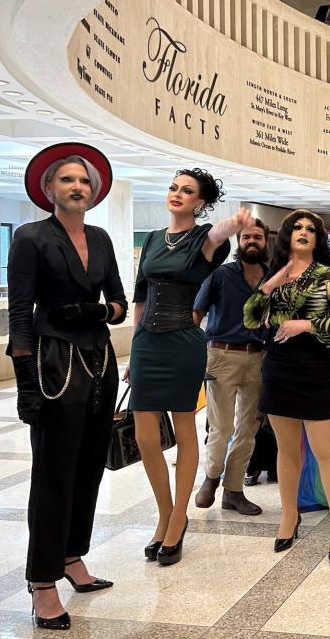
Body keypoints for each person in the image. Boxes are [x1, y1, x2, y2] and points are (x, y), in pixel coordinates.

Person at [8, 144, 126, 630]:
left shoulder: (100, 238)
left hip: (100, 362)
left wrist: (98, 312)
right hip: (54, 366)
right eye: (68, 180)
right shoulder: (31, 238)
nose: (78, 187)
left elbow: (118, 300)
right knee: (54, 474)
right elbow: (19, 315)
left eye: (84, 182)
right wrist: (25, 385)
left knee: (88, 470)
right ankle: (41, 580)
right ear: (49, 189)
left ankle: (74, 556)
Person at [129, 168, 250, 567]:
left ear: (200, 201)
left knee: (183, 429)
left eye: (187, 191)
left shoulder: (203, 238)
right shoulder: (149, 240)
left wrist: (236, 223)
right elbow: (141, 296)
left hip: (184, 340)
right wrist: (132, 350)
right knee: (146, 435)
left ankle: (178, 518)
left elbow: (219, 235)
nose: (177, 194)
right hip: (147, 343)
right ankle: (165, 512)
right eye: (174, 187)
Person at [244, 210, 330, 565]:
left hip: (315, 369)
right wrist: (269, 285)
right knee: (286, 451)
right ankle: (289, 516)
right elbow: (249, 318)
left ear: (317, 239)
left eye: (310, 229)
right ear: (287, 236)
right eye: (297, 228)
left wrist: (305, 325)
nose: (304, 232)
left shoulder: (328, 275)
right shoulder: (273, 276)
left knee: (324, 451)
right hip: (278, 369)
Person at [192, 218, 270, 516]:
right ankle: (212, 477)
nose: (252, 241)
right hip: (222, 356)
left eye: (258, 237)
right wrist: (192, 353)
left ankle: (234, 491)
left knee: (248, 429)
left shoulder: (271, 278)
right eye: (247, 236)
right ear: (240, 241)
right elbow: (196, 314)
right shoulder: (221, 275)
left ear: (265, 242)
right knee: (221, 426)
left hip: (258, 359)